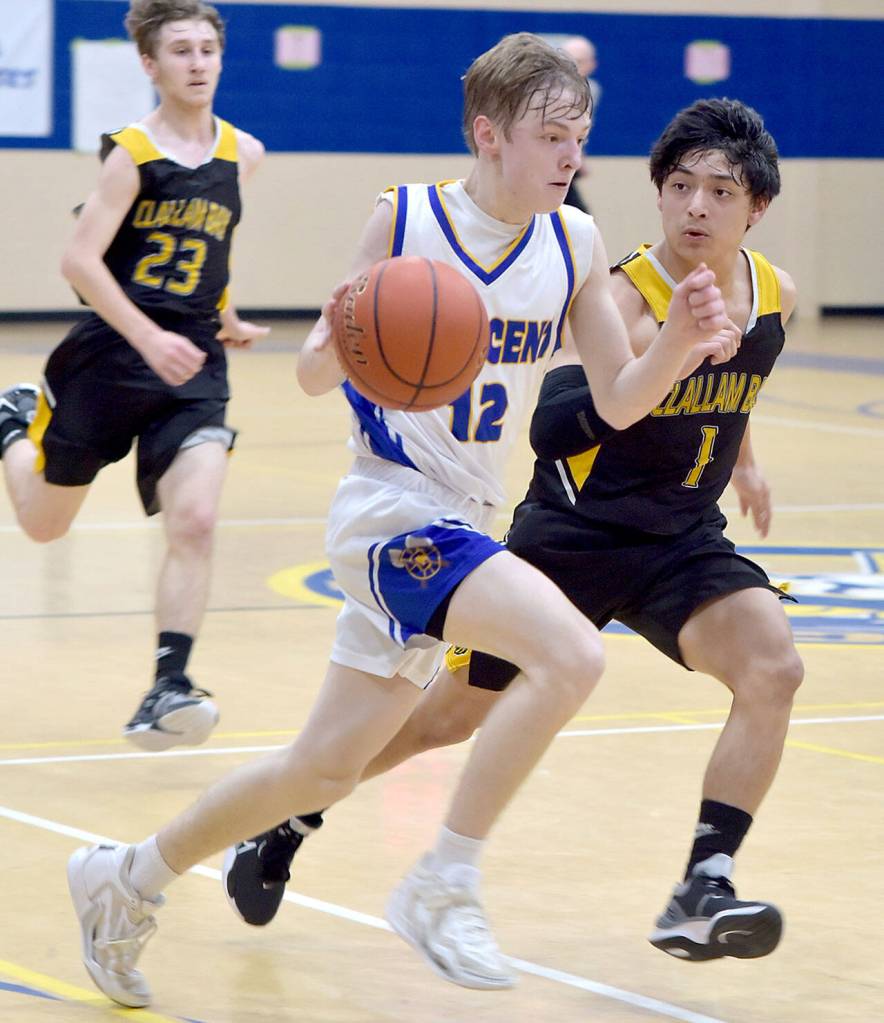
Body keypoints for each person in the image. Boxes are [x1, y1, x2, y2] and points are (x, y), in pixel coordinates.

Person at [66, 33, 728, 1007]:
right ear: (487, 134)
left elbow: (619, 400)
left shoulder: (573, 241)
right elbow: (305, 372)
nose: (568, 158)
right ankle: (442, 877)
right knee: (570, 656)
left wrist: (674, 345)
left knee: (319, 770)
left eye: (578, 138)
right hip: (388, 512)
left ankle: (124, 878)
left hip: (465, 517)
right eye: (551, 136)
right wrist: (350, 331)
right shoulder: (407, 219)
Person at [224, 98, 803, 966]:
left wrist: (746, 458)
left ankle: (702, 887)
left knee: (774, 666)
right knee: (437, 724)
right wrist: (674, 350)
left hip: (681, 537)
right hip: (571, 537)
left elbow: (737, 381)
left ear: (755, 208)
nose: (694, 208)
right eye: (679, 186)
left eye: (719, 192)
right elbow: (560, 423)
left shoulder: (773, 295)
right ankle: (289, 817)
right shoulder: (624, 293)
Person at [0, 0, 267, 751]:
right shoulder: (130, 152)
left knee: (197, 518)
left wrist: (227, 316)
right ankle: (11, 426)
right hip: (112, 358)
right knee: (43, 525)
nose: (197, 62)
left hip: (191, 365)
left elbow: (214, 251)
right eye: (179, 50)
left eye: (207, 48)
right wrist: (148, 336)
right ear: (149, 64)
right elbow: (79, 262)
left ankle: (168, 683)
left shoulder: (244, 151)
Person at [560, 35, 601, 213]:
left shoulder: (592, 91)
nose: (574, 67)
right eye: (569, 61)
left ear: (592, 64)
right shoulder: (550, 90)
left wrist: (579, 155)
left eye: (579, 62)